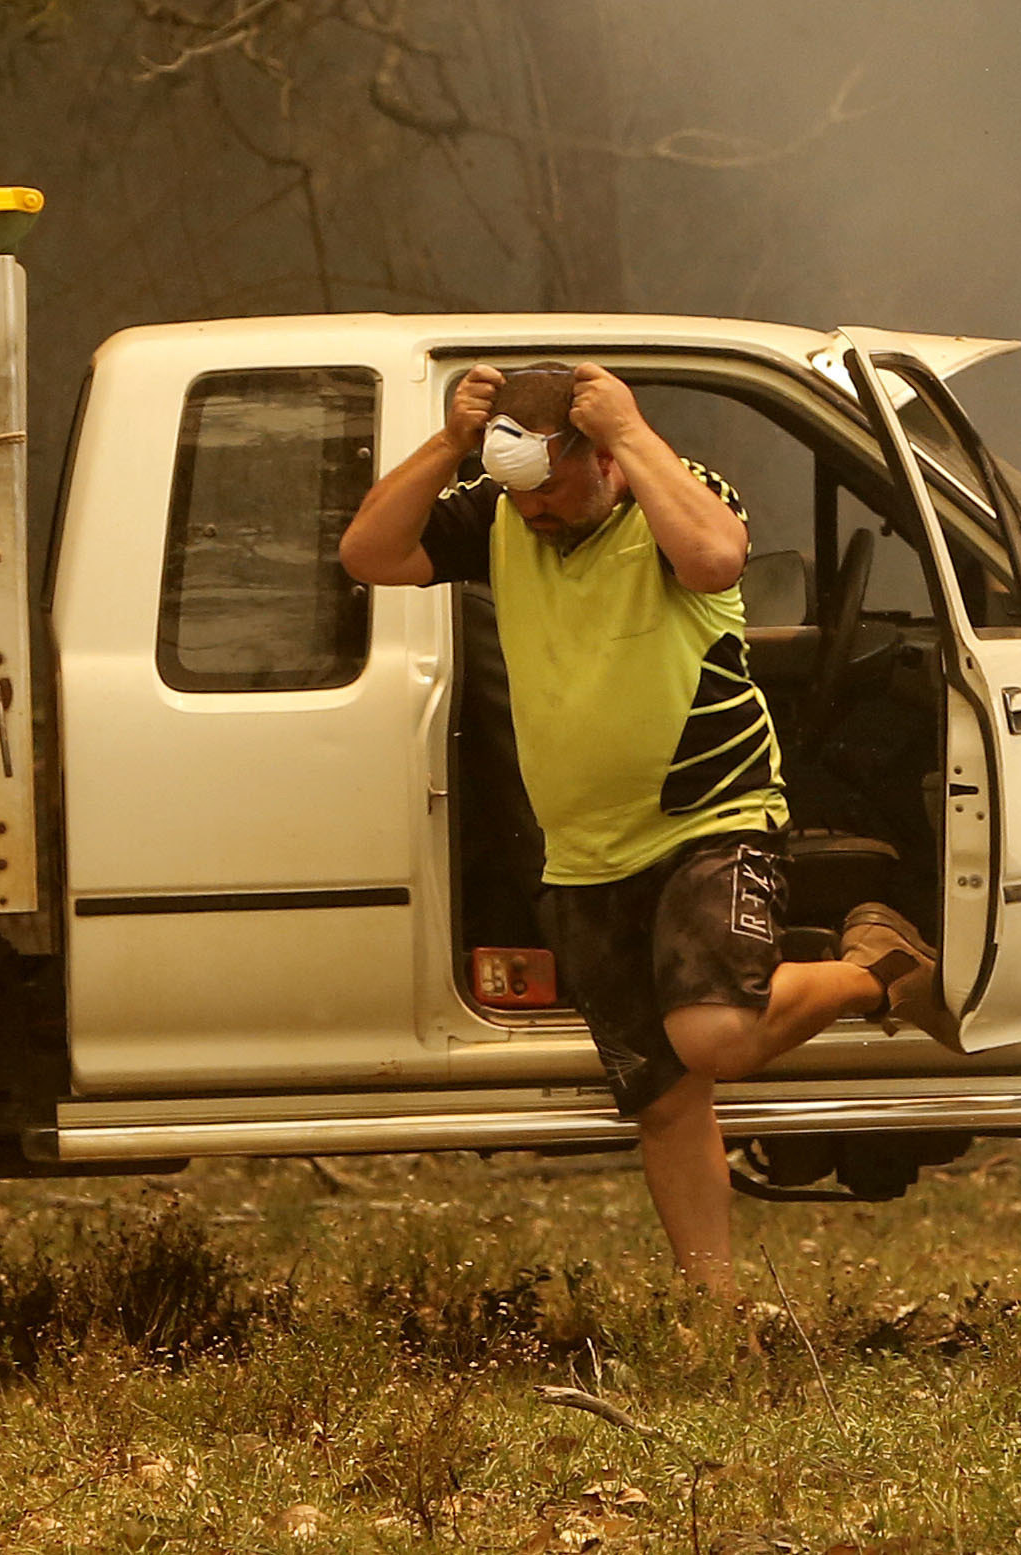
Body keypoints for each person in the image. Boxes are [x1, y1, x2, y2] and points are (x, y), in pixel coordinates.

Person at [338, 361, 953, 1306]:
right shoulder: (504, 511)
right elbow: (370, 554)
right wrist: (450, 446)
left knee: (713, 1035)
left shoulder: (675, 488)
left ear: (603, 460)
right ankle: (714, 1316)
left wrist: (629, 430)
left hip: (711, 818)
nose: (535, 516)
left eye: (553, 492)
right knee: (663, 1098)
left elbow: (714, 559)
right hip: (584, 849)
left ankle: (881, 966)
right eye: (521, 497)